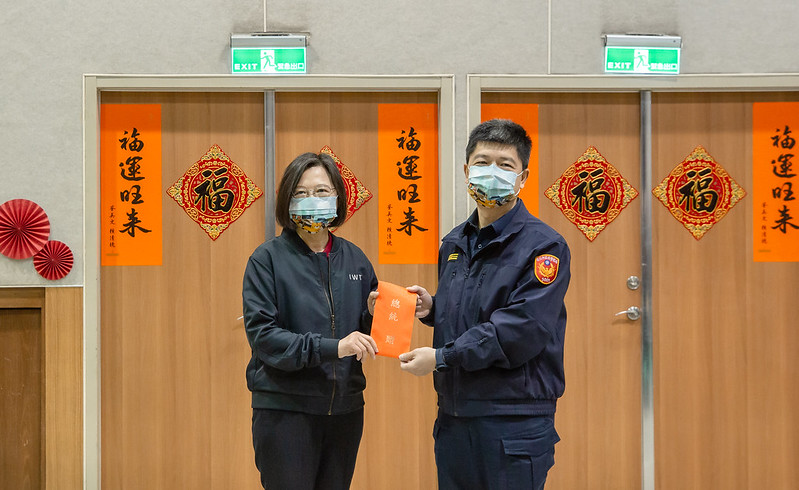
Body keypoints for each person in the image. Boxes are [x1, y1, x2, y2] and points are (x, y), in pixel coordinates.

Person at [399, 119, 571, 490]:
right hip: (456, 414)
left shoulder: (544, 246)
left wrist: (441, 357)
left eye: (505, 165)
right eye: (482, 162)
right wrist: (433, 308)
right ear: (466, 171)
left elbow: (521, 328)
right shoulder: (454, 243)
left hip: (513, 420)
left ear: (522, 177)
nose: (492, 172)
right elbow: (473, 310)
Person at [242, 152, 380, 490]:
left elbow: (365, 336)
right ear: (287, 201)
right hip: (286, 410)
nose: (312, 200)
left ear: (338, 197)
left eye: (321, 191)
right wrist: (334, 347)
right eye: (301, 193)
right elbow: (264, 337)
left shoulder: (355, 259)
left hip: (345, 411)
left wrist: (374, 316)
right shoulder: (267, 260)